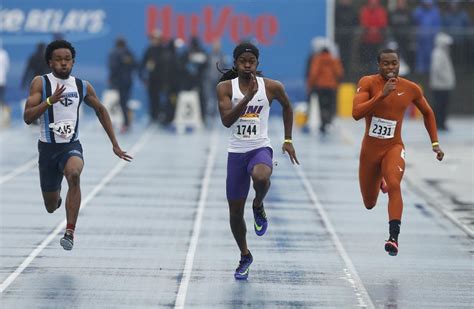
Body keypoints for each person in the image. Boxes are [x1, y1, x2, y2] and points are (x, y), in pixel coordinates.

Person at [23, 40, 133, 251]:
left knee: (74, 174)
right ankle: (56, 199)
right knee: (50, 206)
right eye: (58, 60)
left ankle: (70, 232)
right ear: (50, 62)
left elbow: (101, 110)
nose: (63, 64)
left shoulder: (82, 86)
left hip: (70, 147)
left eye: (67, 60)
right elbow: (27, 117)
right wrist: (48, 102)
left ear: (73, 62)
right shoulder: (41, 83)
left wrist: (115, 144)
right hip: (47, 151)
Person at [216, 42, 299, 280]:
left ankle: (258, 205)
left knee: (262, 177)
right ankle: (245, 255)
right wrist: (247, 98)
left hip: (260, 148)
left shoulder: (272, 87)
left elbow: (287, 107)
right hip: (236, 153)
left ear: (257, 63)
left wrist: (288, 139)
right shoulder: (225, 88)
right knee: (234, 213)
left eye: (251, 61)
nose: (247, 65)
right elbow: (226, 121)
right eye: (243, 61)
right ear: (235, 63)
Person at [352, 49, 444, 257]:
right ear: (379, 65)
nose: (391, 67)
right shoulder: (368, 83)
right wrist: (381, 95)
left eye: (394, 63)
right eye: (386, 64)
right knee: (369, 203)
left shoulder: (410, 88)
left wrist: (435, 143)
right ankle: (380, 181)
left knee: (395, 183)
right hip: (370, 151)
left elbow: (428, 113)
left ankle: (393, 238)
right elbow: (356, 114)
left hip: (394, 147)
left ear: (399, 64)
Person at [307, 46, 344, 134]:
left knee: (322, 105)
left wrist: (311, 85)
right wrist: (337, 82)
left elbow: (313, 73)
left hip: (321, 86)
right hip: (331, 86)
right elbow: (339, 72)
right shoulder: (334, 59)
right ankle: (329, 120)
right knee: (331, 105)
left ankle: (323, 123)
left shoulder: (318, 59)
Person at [108, 37, 137, 133]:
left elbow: (113, 67)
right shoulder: (129, 52)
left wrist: (111, 78)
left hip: (120, 81)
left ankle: (126, 123)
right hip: (129, 81)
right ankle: (128, 121)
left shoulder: (115, 52)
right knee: (125, 101)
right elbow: (136, 65)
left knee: (123, 102)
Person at [430, 32, 455, 131]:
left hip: (444, 85)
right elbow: (437, 69)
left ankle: (441, 123)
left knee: (442, 105)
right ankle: (439, 123)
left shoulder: (443, 53)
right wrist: (446, 79)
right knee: (440, 105)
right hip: (440, 85)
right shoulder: (438, 53)